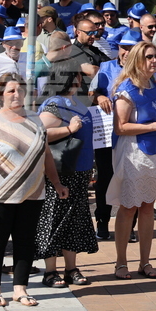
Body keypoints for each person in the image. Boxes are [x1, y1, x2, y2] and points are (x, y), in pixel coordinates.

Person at [0, 73, 68, 308]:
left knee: (25, 241)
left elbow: (46, 155)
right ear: (1, 94)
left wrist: (56, 183)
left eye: (20, 90)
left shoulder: (35, 120)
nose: (16, 94)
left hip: (33, 193)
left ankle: (20, 289)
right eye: (11, 90)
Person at [107, 41, 156, 280]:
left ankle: (145, 262)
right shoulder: (126, 89)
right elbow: (120, 127)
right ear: (137, 60)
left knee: (148, 206)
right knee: (129, 207)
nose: (154, 60)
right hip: (134, 152)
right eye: (149, 57)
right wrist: (153, 126)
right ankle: (120, 262)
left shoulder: (155, 83)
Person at [35, 61, 98, 289]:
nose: (81, 79)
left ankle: (71, 269)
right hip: (60, 172)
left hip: (79, 171)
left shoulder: (75, 103)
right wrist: (69, 129)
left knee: (74, 221)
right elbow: (41, 133)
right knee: (53, 219)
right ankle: (50, 271)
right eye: (78, 75)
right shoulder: (54, 104)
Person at [90, 28, 142, 240]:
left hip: (133, 135)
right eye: (123, 47)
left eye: (131, 48)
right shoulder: (106, 67)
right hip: (106, 135)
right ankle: (102, 222)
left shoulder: (145, 72)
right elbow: (92, 92)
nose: (126, 52)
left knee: (132, 180)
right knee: (105, 179)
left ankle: (130, 226)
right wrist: (99, 97)